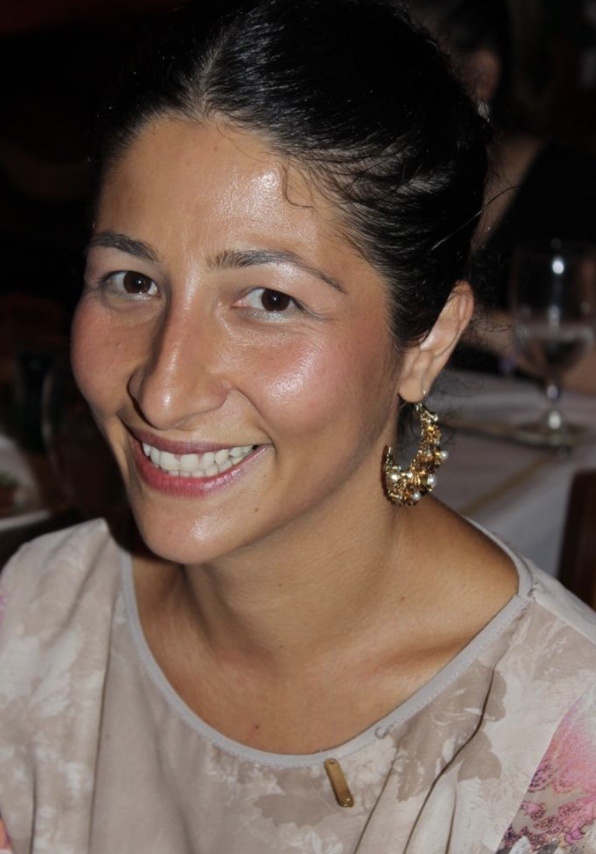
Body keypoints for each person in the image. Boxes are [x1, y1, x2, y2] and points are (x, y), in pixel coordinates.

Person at [1, 1, 596, 850]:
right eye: (132, 281)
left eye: (270, 300)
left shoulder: (550, 749)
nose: (163, 391)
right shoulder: (38, 619)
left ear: (427, 343)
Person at [409, 0, 596, 393]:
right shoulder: (383, 186)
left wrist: (464, 320)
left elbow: (586, 362)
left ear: (481, 77)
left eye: (408, 72)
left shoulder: (576, 191)